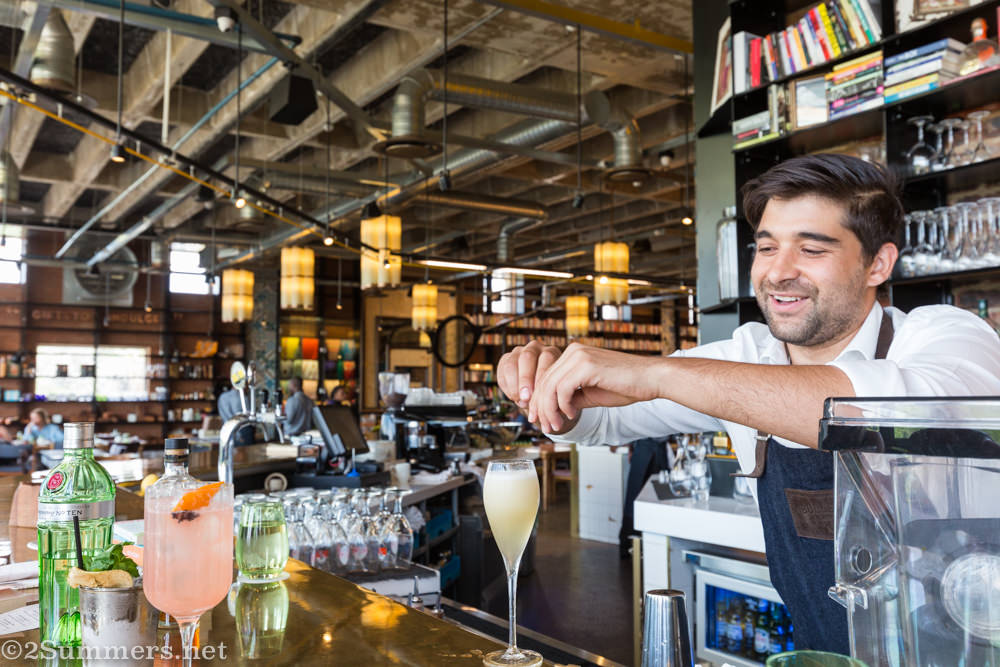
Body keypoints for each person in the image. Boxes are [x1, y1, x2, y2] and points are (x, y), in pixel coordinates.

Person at [497, 154, 1000, 655]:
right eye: (766, 248)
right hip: (819, 654)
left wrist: (658, 372)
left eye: (811, 249)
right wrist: (539, 381)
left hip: (958, 650)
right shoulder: (745, 355)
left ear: (878, 264)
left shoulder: (944, 335)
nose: (779, 272)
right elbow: (599, 420)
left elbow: (900, 411)